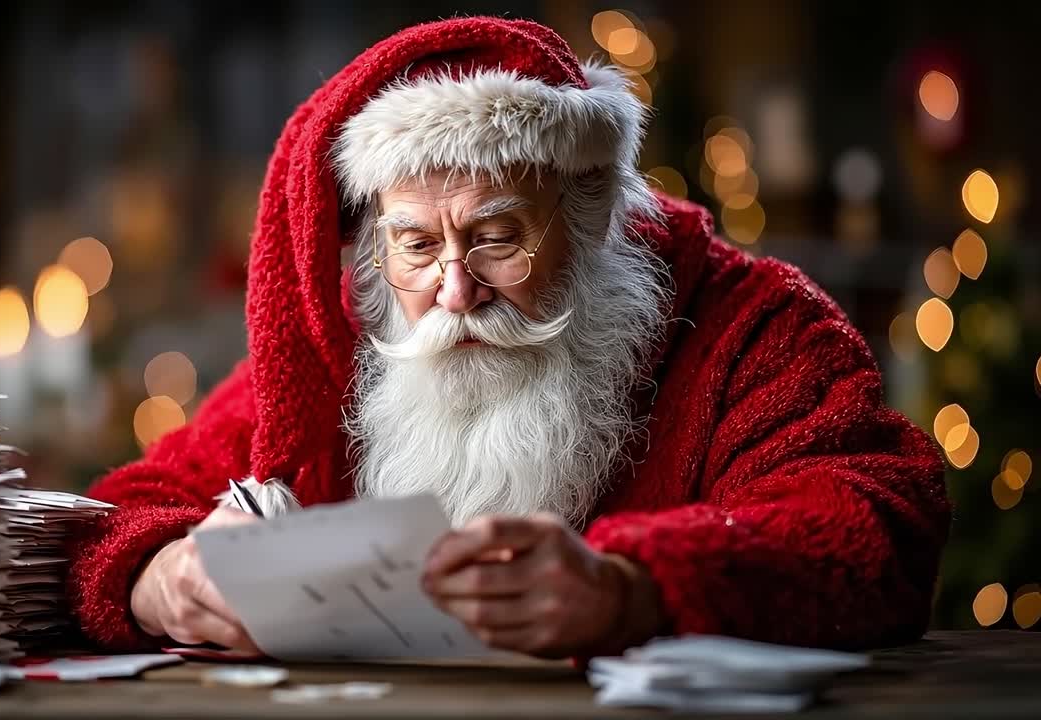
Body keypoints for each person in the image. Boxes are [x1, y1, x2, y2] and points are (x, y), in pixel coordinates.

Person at [65, 16, 950, 660]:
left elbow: (879, 520)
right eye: (415, 246)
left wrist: (634, 588)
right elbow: (120, 509)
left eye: (496, 237)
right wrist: (157, 579)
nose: (453, 291)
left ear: (589, 216)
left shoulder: (753, 324)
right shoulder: (336, 343)